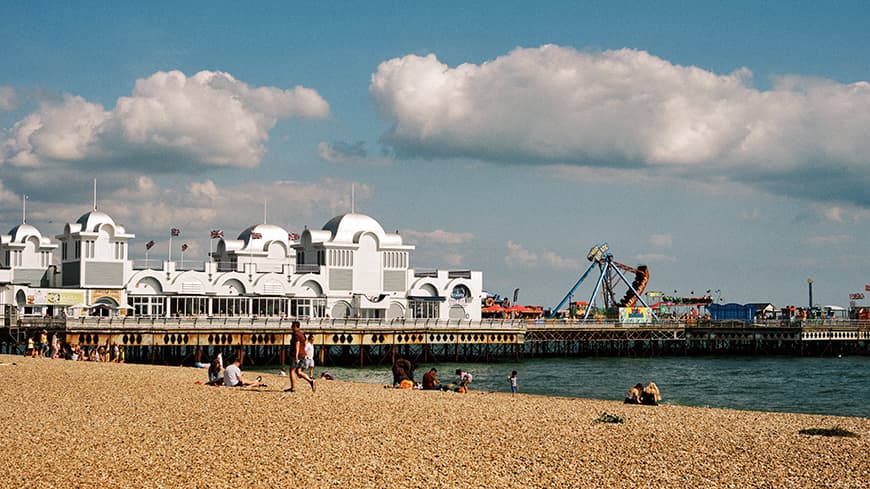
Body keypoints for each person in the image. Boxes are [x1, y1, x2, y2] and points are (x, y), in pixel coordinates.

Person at [285, 321, 315, 393]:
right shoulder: (302, 334)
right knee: (298, 371)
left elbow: (297, 345)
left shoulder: (296, 334)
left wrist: (296, 356)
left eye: (292, 326)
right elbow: (303, 344)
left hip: (296, 355)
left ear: (295, 326)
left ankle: (293, 388)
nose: (291, 327)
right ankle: (310, 381)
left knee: (291, 370)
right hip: (303, 354)